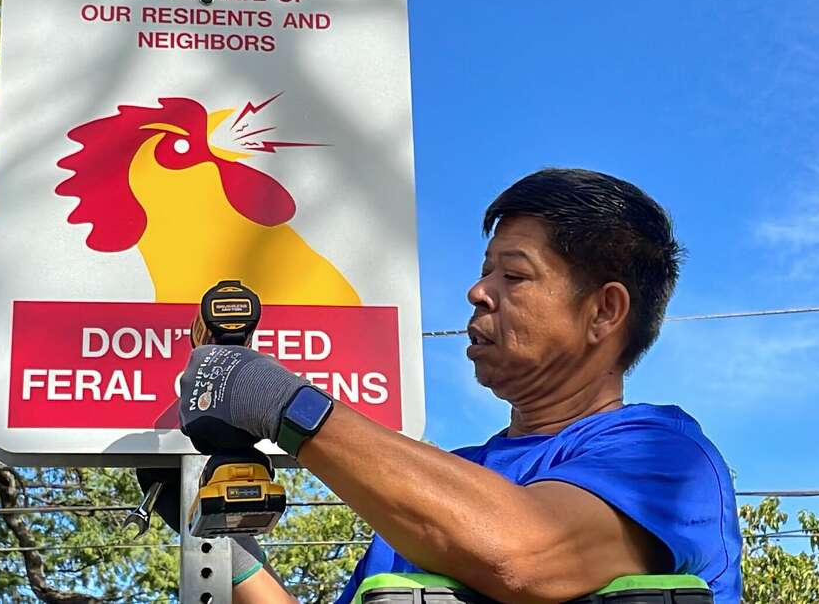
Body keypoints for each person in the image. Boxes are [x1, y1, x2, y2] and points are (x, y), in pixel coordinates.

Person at [166, 168, 742, 603]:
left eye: (513, 275)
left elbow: (527, 553)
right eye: (485, 269)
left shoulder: (664, 457)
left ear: (604, 312)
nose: (477, 291)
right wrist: (226, 548)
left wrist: (278, 403)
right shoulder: (438, 493)